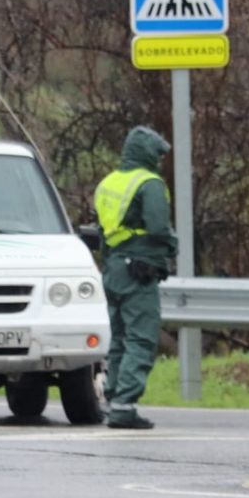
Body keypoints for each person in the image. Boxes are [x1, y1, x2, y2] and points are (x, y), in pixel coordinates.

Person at [94, 125, 176, 429]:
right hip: (138, 270)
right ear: (147, 153)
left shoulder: (109, 183)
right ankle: (125, 406)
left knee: (119, 339)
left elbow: (103, 231)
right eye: (158, 154)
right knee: (141, 338)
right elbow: (157, 228)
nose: (160, 160)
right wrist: (171, 246)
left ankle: (113, 398)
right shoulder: (150, 184)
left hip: (113, 268)